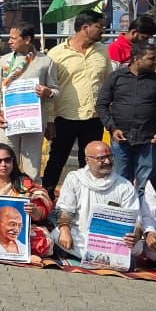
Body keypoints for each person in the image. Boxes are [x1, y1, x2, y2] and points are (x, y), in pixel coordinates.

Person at [42, 10, 112, 193]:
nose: (103, 30)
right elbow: (49, 89)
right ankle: (45, 198)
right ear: (85, 28)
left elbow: (108, 84)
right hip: (64, 117)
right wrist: (49, 120)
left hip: (94, 117)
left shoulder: (103, 51)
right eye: (99, 26)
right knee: (56, 160)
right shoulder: (56, 54)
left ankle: (87, 198)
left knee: (90, 163)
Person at [96, 41, 156, 192]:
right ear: (137, 59)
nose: (155, 62)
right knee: (120, 184)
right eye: (151, 59)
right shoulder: (116, 78)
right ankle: (123, 208)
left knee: (147, 186)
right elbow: (101, 105)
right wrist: (112, 128)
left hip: (148, 140)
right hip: (121, 140)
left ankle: (144, 208)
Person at [52, 141, 141, 267]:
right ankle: (113, 260)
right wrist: (65, 231)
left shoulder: (124, 185)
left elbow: (136, 218)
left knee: (138, 246)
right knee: (57, 234)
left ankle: (92, 257)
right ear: (88, 160)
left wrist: (135, 235)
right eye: (101, 158)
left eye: (110, 156)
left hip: (112, 240)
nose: (107, 161)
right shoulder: (75, 178)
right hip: (81, 234)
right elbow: (65, 209)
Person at [0, 24, 58, 179]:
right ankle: (6, 192)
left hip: (33, 123)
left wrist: (48, 93)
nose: (9, 41)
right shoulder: (4, 61)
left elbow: (55, 91)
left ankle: (30, 194)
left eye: (14, 38)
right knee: (5, 164)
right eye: (9, 38)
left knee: (32, 169)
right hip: (7, 121)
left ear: (27, 39)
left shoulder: (45, 62)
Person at [0, 144, 54, 258]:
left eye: (7, 160)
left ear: (13, 162)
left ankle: (11, 252)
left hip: (20, 232)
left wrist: (35, 212)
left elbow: (41, 210)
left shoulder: (24, 182)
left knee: (45, 242)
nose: (3, 164)